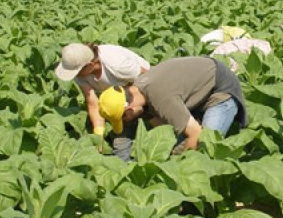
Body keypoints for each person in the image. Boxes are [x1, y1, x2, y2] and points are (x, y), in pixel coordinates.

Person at [97, 56, 247, 154]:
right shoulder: (138, 94)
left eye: (124, 119)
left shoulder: (160, 97)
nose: (127, 123)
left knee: (206, 145)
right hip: (197, 90)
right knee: (178, 143)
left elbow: (195, 133)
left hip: (219, 89)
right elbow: (167, 131)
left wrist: (177, 167)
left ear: (128, 109)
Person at [55, 42, 150, 161]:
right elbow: (93, 103)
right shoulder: (80, 74)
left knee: (151, 125)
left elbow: (149, 78)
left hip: (141, 87)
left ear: (89, 66)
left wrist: (138, 105)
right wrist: (98, 135)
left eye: (76, 72)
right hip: (115, 96)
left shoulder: (116, 64)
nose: (76, 76)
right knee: (120, 156)